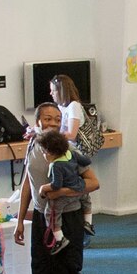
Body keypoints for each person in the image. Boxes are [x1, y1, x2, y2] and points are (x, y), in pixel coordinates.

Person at [17, 102, 102, 274]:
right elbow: (27, 185)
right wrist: (21, 220)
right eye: (47, 119)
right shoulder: (33, 147)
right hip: (42, 219)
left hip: (68, 218)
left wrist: (60, 192)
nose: (52, 123)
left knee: (67, 273)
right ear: (38, 122)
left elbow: (93, 183)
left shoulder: (69, 149)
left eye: (57, 119)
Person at [52, 74, 96, 235]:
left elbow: (71, 134)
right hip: (66, 154)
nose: (51, 94)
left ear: (61, 91)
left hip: (76, 154)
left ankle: (87, 223)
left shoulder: (73, 107)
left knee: (81, 190)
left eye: (53, 91)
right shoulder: (62, 108)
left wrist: (51, 136)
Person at [34, 131, 89, 256]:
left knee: (51, 214)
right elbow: (86, 161)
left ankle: (59, 238)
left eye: (44, 152)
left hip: (65, 198)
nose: (43, 154)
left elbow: (56, 185)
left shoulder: (56, 165)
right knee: (87, 202)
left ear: (50, 152)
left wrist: (44, 188)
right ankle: (88, 222)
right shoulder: (72, 154)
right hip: (79, 188)